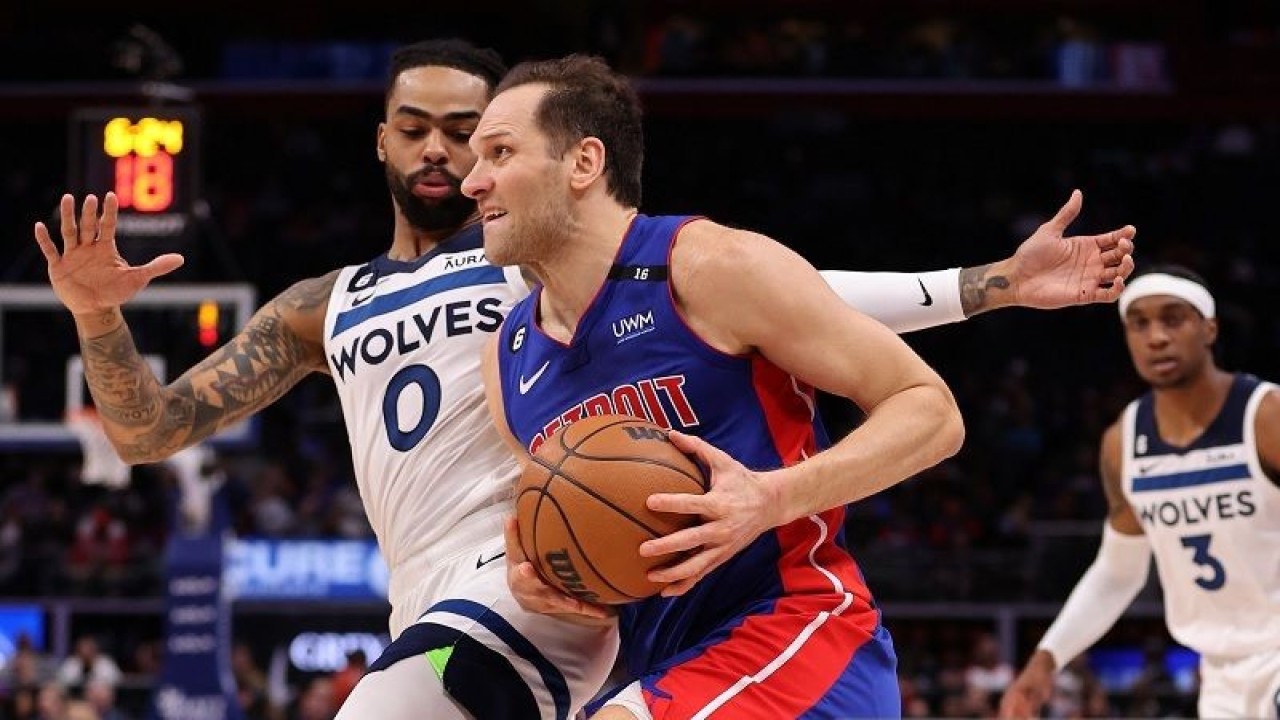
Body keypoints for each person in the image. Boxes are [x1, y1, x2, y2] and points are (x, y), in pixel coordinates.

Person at [34, 38, 1135, 720]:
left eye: (476, 137)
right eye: (418, 131)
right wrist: (94, 318)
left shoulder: (562, 262)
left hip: (524, 605)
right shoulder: (340, 305)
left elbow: (800, 296)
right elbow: (151, 429)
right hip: (551, 580)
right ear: (379, 142)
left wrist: (982, 284)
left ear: (562, 159)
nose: (452, 160)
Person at [466, 53, 1132, 719]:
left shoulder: (708, 267)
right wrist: (552, 582)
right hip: (676, 665)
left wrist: (769, 497)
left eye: (500, 152)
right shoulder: (509, 358)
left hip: (801, 635)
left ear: (583, 163)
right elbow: (592, 534)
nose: (473, 181)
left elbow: (930, 412)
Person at [999, 265, 1280, 719]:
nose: (1156, 337)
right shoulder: (1124, 441)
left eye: (1173, 319)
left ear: (1209, 329)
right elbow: (1118, 573)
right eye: (1140, 324)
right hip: (1220, 677)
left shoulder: (1267, 416)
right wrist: (1047, 658)